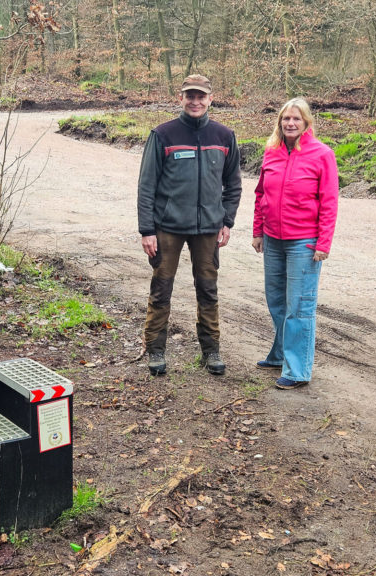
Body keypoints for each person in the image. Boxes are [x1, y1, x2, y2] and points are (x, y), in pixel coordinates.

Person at [138, 74, 243, 377]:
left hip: (209, 229)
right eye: (190, 96)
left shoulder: (224, 136)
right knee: (161, 290)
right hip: (167, 228)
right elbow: (146, 186)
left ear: (211, 99)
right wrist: (147, 229)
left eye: (201, 96)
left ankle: (211, 351)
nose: (195, 102)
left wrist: (227, 222)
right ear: (180, 99)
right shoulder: (163, 134)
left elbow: (233, 185)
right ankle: (156, 350)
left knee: (208, 290)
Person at [251, 97, 338, 390]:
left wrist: (323, 243)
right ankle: (279, 355)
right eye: (286, 119)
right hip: (273, 240)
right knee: (276, 301)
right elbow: (260, 194)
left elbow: (329, 202)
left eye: (296, 119)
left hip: (304, 242)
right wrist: (258, 231)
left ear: (306, 123)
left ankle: (298, 370)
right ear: (279, 122)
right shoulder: (271, 152)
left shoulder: (322, 154)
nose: (290, 123)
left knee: (299, 307)